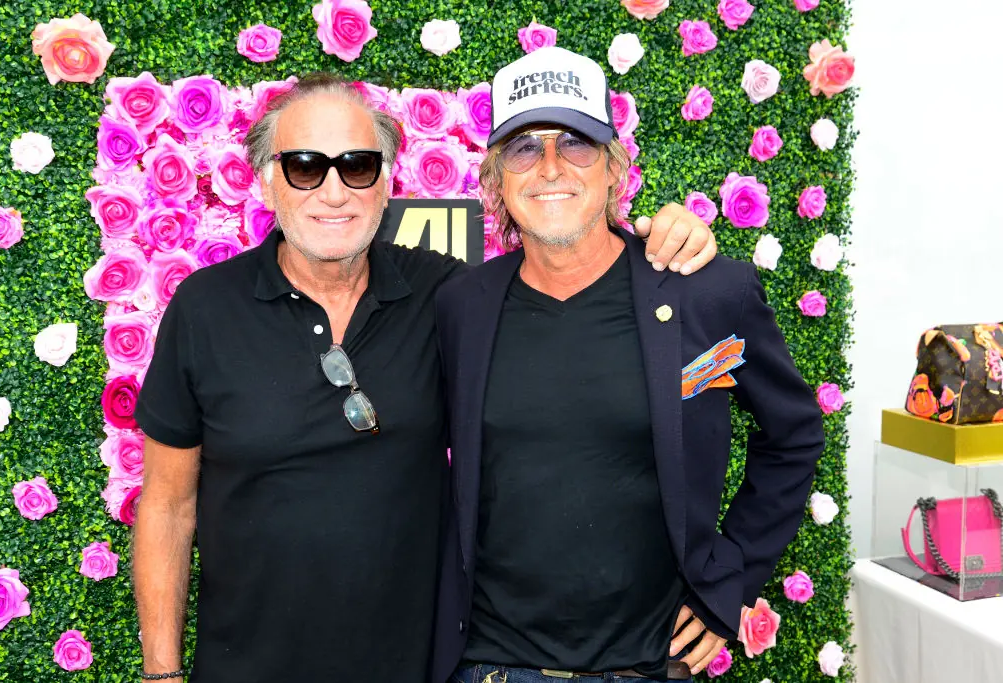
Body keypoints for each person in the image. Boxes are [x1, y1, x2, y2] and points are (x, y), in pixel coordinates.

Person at [131, 72, 718, 683]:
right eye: (305, 167)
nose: (333, 191)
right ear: (266, 179)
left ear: (386, 182)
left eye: (357, 166)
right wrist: (161, 674)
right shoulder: (204, 308)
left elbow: (566, 303)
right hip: (245, 667)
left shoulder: (447, 297)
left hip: (415, 666)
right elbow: (168, 506)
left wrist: (664, 239)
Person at [433, 47, 826, 683]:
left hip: (646, 664)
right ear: (496, 179)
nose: (551, 167)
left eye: (576, 143)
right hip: (491, 663)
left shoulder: (707, 293)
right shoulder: (460, 306)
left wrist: (732, 577)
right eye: (525, 148)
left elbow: (795, 436)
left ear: (615, 166)